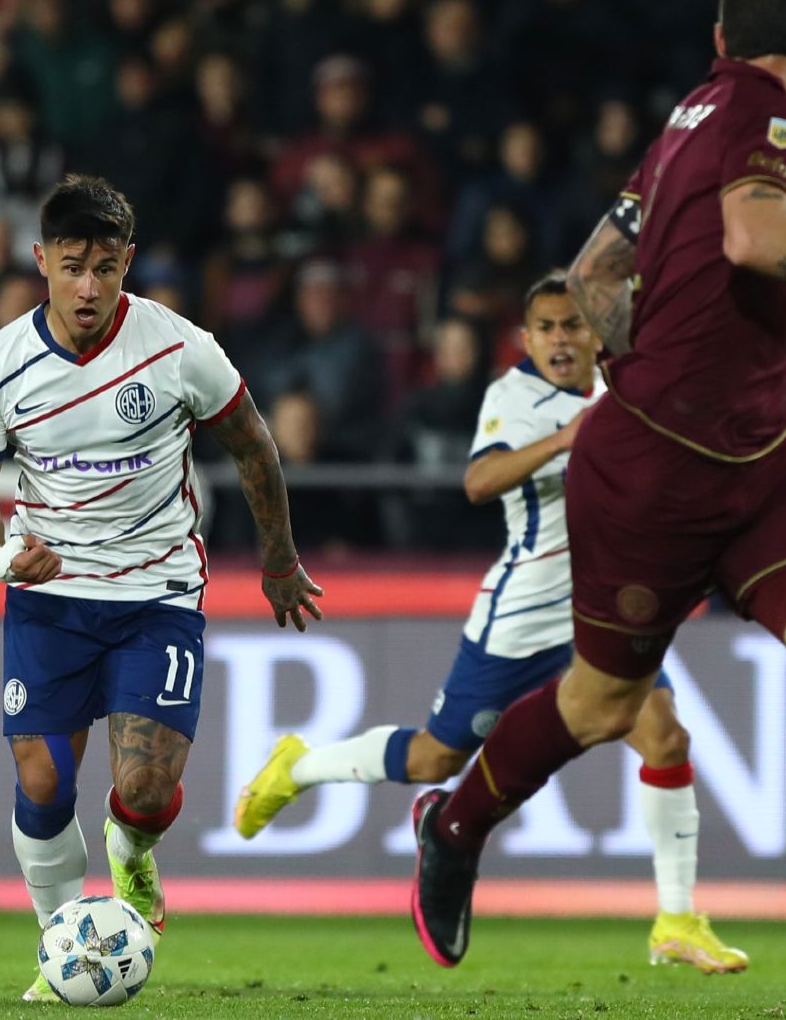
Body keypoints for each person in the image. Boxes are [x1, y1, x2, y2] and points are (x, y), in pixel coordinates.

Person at [405, 0, 786, 1012]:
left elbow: (591, 275)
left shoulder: (686, 119)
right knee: (600, 701)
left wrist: (644, 361)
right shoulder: (774, 119)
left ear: (721, 35)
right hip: (658, 475)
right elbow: (754, 237)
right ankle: (455, 827)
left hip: (759, 458)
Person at [234, 273, 748, 974]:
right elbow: (479, 482)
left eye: (573, 325)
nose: (561, 340)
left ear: (597, 332)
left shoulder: (628, 391)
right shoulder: (513, 397)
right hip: (521, 616)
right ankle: (301, 765)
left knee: (664, 736)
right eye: (547, 328)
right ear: (526, 338)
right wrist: (568, 439)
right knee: (435, 759)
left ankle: (677, 919)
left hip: (602, 613)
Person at [0, 175, 323, 1002]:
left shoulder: (180, 347)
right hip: (49, 599)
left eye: (107, 268)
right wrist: (1, 558)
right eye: (73, 265)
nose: (89, 286)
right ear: (41, 260)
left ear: (128, 265)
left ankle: (133, 855)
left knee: (145, 789)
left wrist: (279, 558)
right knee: (43, 781)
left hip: (156, 594)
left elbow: (254, 447)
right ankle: (60, 950)